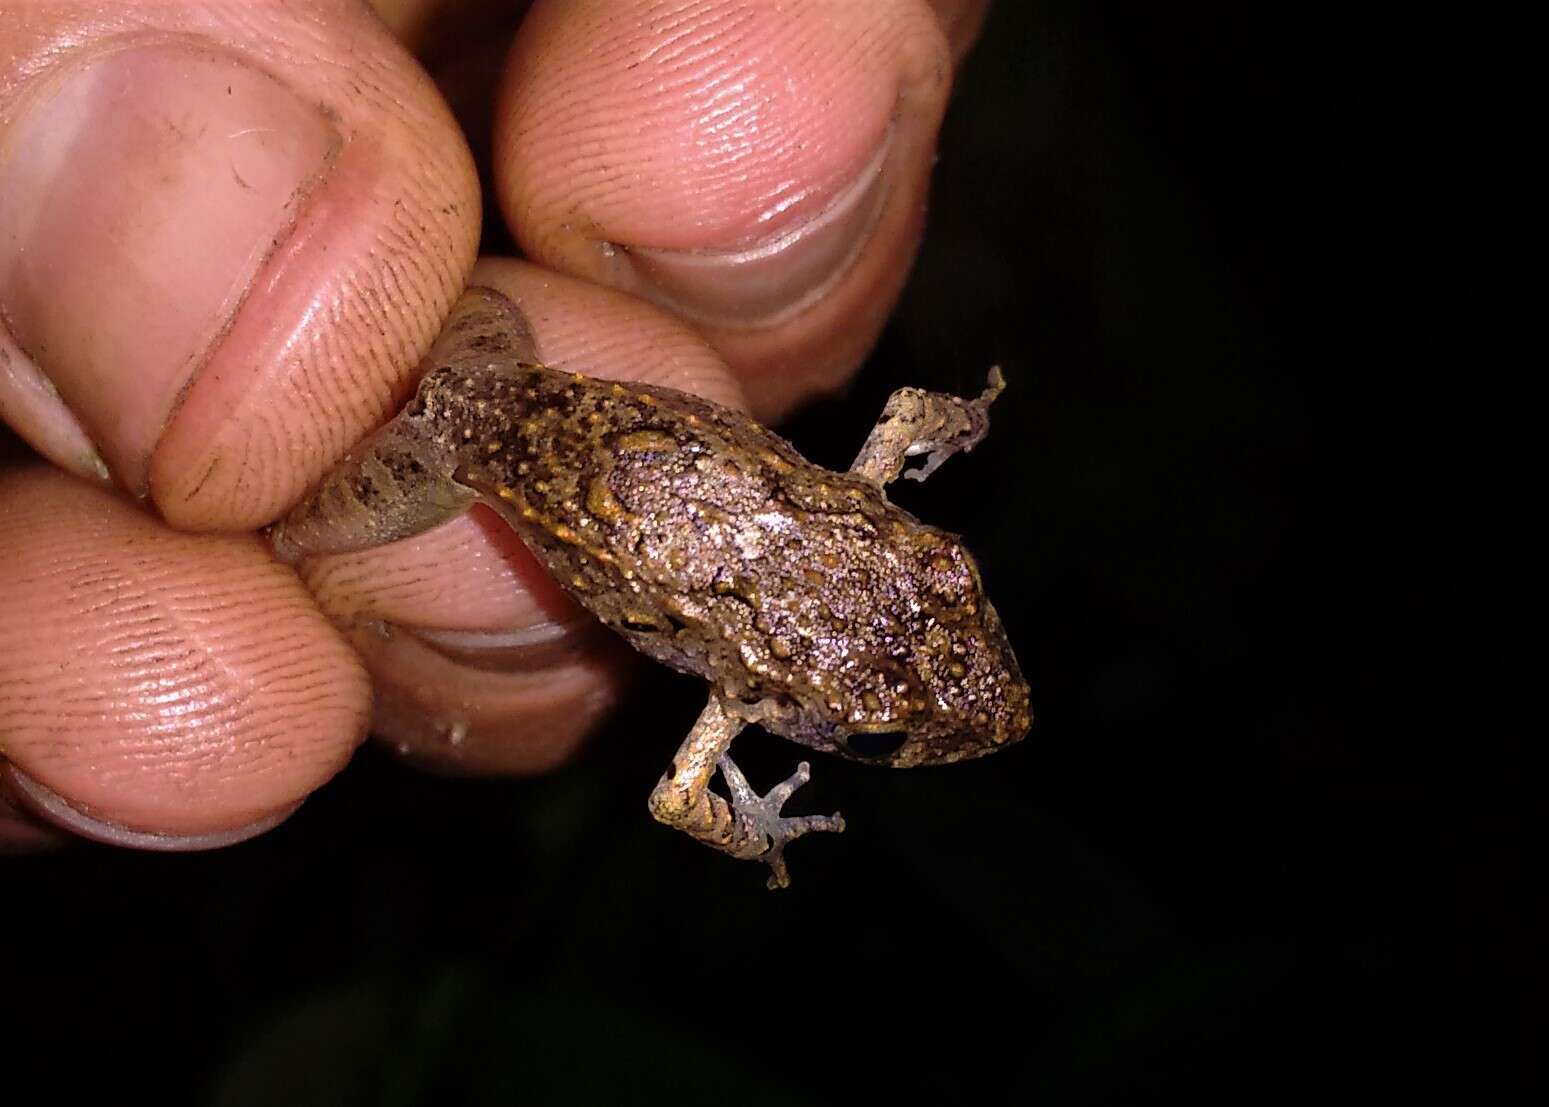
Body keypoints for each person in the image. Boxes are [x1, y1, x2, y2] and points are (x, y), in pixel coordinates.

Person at [0, 0, 989, 849]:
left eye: (871, 735)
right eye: (950, 575)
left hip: (500, 353)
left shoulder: (863, 482)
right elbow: (677, 798)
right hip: (450, 462)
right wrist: (752, 828)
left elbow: (906, 410)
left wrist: (954, 420)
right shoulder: (741, 690)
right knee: (294, 530)